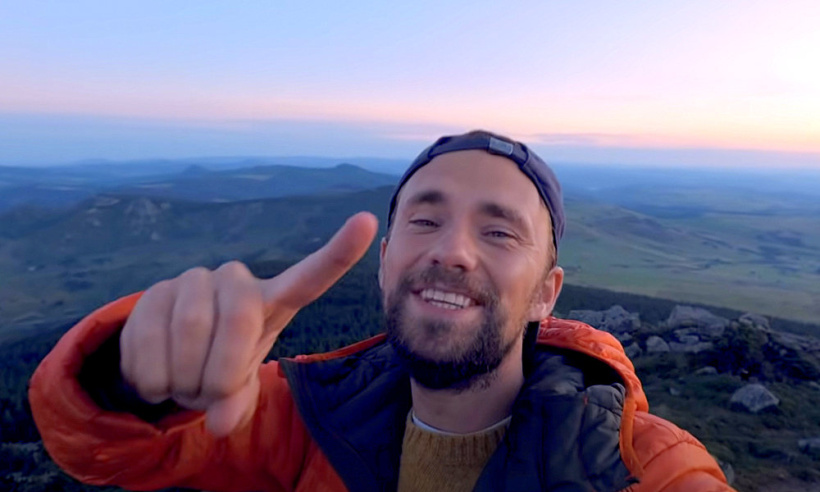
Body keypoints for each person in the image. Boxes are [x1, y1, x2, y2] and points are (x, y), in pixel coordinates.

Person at [30, 130, 734, 491]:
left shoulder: (646, 469)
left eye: (497, 231)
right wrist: (130, 382)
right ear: (385, 261)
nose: (452, 252)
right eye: (425, 222)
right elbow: (107, 452)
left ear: (546, 294)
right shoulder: (297, 415)